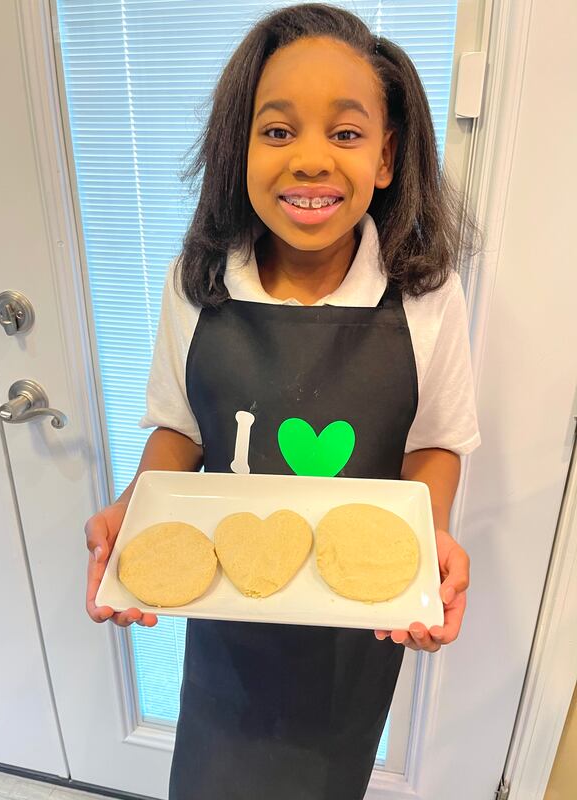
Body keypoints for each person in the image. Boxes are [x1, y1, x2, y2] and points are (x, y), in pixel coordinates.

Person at [85, 4, 481, 798]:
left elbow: (435, 440)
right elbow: (180, 426)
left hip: (355, 633)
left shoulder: (425, 297)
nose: (309, 160)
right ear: (239, 148)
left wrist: (428, 534)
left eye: (344, 133)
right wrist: (138, 504)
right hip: (227, 624)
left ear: (386, 155)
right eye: (277, 131)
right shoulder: (197, 284)